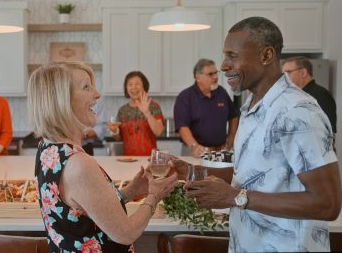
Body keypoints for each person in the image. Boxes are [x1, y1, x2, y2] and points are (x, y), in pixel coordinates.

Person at [176, 17, 341, 252]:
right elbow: (251, 175)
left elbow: (328, 203)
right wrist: (188, 170)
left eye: (232, 56)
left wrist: (235, 197)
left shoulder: (297, 111)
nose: (223, 66)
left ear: (266, 55)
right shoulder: (252, 107)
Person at [28, 61, 178, 252]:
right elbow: (126, 232)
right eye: (86, 87)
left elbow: (82, 211)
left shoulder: (48, 148)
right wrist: (154, 196)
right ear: (61, 100)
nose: (97, 94)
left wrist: (129, 192)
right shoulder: (79, 164)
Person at [173, 58, 239, 157]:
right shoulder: (185, 97)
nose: (216, 77)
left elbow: (233, 116)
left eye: (216, 73)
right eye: (210, 74)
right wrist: (194, 146)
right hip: (195, 151)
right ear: (197, 77)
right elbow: (183, 127)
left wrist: (232, 136)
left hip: (220, 151)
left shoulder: (221, 92)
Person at [108, 71, 164, 156]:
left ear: (144, 86)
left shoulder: (153, 106)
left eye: (137, 84)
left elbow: (158, 131)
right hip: (128, 160)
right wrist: (114, 131)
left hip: (149, 159)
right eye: (130, 84)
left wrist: (147, 113)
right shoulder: (122, 110)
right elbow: (119, 138)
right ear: (126, 88)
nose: (133, 87)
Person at [282, 56, 337, 134]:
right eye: (283, 74)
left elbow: (330, 133)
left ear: (303, 72)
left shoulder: (321, 95)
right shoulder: (294, 95)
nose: (284, 77)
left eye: (288, 72)